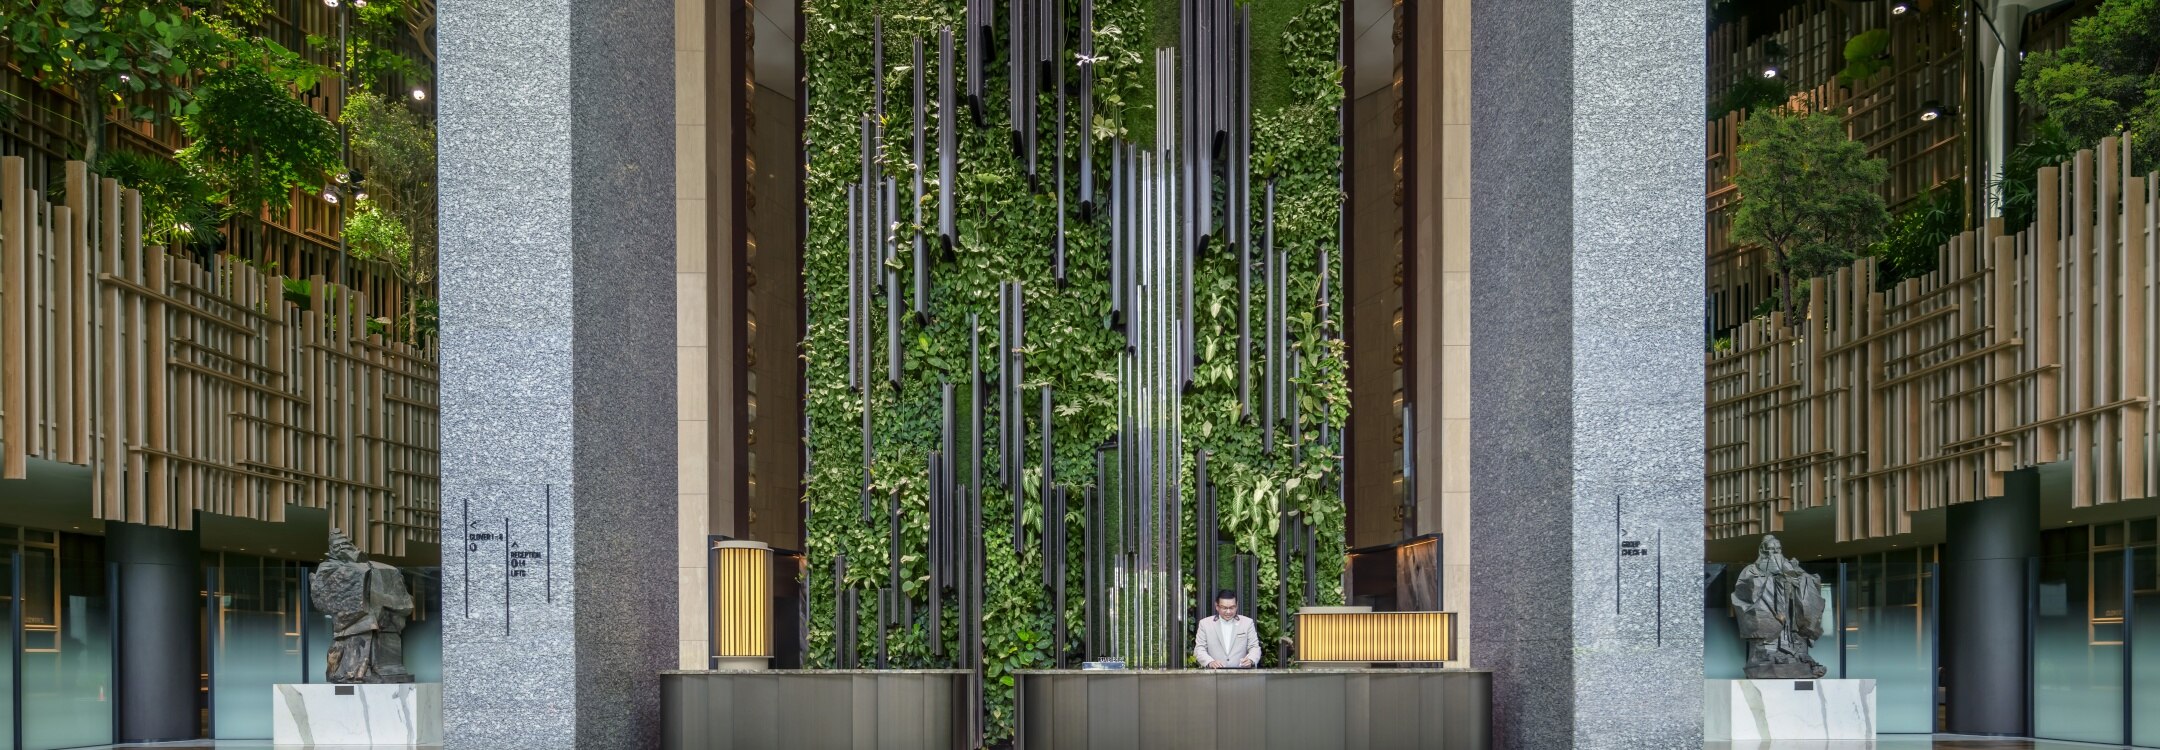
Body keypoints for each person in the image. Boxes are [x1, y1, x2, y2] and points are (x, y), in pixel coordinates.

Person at [1193, 589, 1260, 669]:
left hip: (1241, 673)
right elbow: (1199, 649)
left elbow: (1254, 647)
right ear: (1217, 606)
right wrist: (1210, 662)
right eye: (1224, 608)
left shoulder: (1247, 623)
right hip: (1214, 673)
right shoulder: (1205, 624)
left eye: (1232, 608)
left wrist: (1251, 660)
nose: (1228, 612)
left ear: (1237, 605)